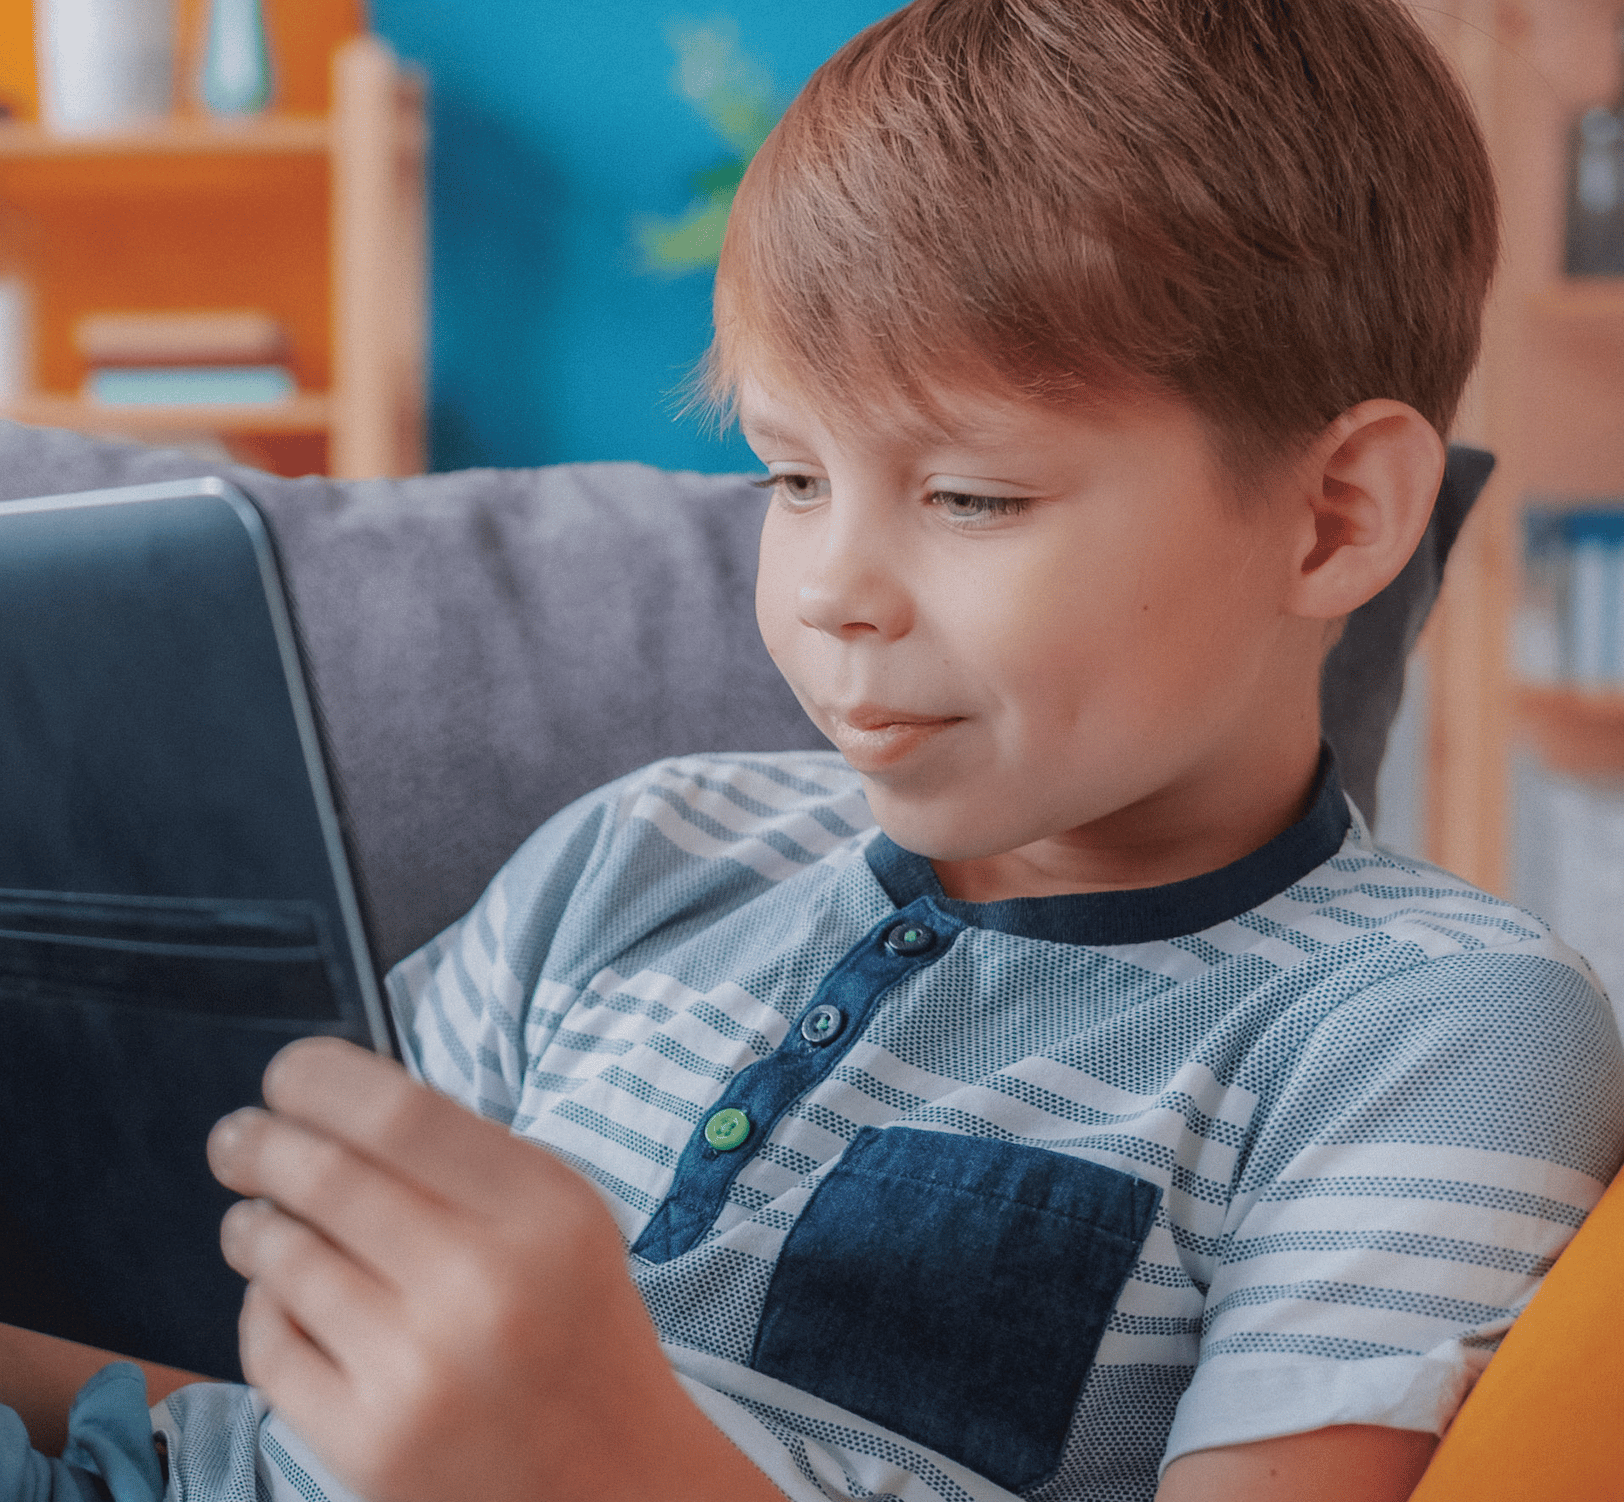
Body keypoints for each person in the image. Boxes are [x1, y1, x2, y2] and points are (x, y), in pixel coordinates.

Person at [5, 1, 1623, 1499]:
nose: (832, 589)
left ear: (1336, 517)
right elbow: (219, 1375)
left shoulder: (1426, 1024)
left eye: (971, 492)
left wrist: (614, 1458)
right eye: (789, 477)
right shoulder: (641, 847)